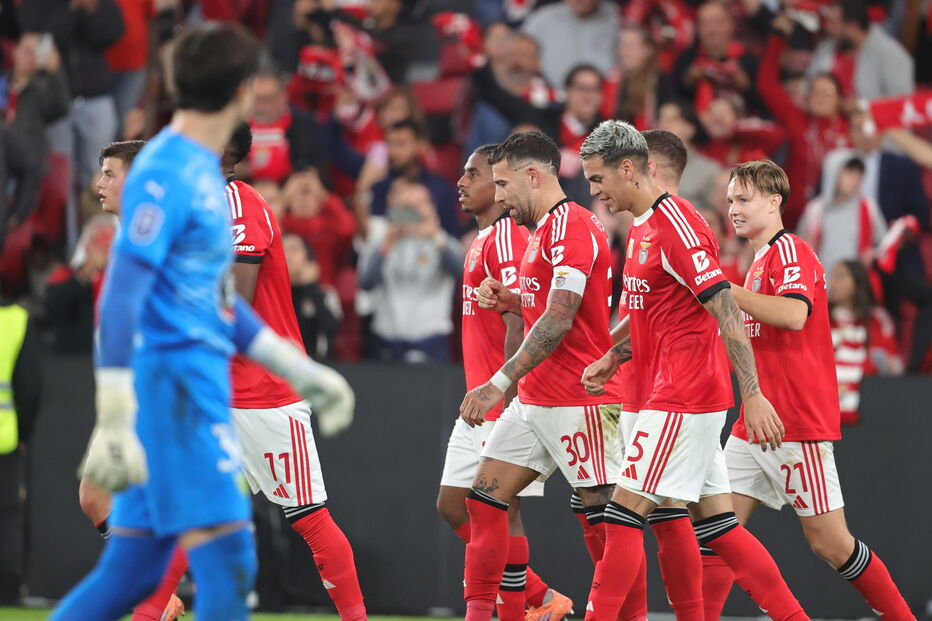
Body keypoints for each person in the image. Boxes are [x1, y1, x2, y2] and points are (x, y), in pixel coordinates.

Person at [49, 24, 354, 621]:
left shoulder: (179, 174)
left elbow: (211, 303)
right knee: (207, 555)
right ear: (239, 95)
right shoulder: (172, 175)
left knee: (161, 561)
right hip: (186, 394)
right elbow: (129, 300)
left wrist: (299, 370)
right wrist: (117, 408)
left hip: (189, 391)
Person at [576, 120, 807, 621]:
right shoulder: (642, 226)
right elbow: (651, 313)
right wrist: (613, 355)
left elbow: (723, 306)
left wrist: (753, 394)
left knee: (622, 513)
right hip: (665, 392)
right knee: (716, 526)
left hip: (681, 395)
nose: (594, 191)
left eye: (598, 179)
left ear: (630, 168)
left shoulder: (677, 224)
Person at [718, 160, 913, 620]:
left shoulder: (792, 251)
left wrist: (723, 289)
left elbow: (792, 314)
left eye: (743, 199)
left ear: (774, 201)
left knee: (830, 543)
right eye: (729, 201)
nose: (734, 209)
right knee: (716, 530)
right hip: (754, 422)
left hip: (794, 423)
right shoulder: (760, 259)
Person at [457, 131, 623, 621]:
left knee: (605, 522)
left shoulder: (572, 226)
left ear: (534, 175)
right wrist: (511, 301)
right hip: (534, 401)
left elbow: (560, 317)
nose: (500, 194)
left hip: (581, 398)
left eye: (504, 183)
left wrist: (498, 381)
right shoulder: (542, 231)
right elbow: (544, 308)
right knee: (483, 501)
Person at [223, 122, 365, 619]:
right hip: (214, 388)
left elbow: (235, 301)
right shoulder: (194, 207)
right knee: (187, 513)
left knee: (307, 517)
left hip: (263, 390)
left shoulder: (240, 204)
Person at [438, 143, 570, 621]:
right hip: (482, 394)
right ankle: (539, 597)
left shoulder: (509, 237)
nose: (462, 182)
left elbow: (520, 316)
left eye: (474, 174)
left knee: (497, 508)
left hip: (500, 397)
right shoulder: (483, 239)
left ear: (499, 186)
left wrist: (504, 392)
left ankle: (514, 609)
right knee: (455, 505)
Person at [71, 139, 189, 621]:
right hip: (125, 395)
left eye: (109, 174)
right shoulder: (122, 238)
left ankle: (152, 603)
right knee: (93, 496)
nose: (99, 184)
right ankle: (160, 594)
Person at [357, 179, 462, 362]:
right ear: (396, 209)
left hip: (431, 342)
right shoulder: (382, 241)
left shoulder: (443, 241)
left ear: (431, 207)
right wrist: (387, 244)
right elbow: (366, 282)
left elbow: (460, 273)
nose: (413, 212)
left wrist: (435, 236)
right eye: (406, 206)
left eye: (419, 205)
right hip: (386, 342)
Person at [0, 291, 40, 605]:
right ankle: (8, 590)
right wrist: (23, 431)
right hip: (5, 437)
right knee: (7, 516)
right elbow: (28, 388)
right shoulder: (16, 320)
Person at [828, 260, 903, 425]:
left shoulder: (876, 319)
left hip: (869, 407)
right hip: (822, 408)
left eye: (840, 277)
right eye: (832, 276)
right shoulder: (818, 317)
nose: (832, 282)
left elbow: (894, 366)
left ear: (858, 282)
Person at [521, 0, 618, 88]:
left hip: (605, 98)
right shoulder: (542, 19)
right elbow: (517, 56)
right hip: (548, 98)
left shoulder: (618, 19)